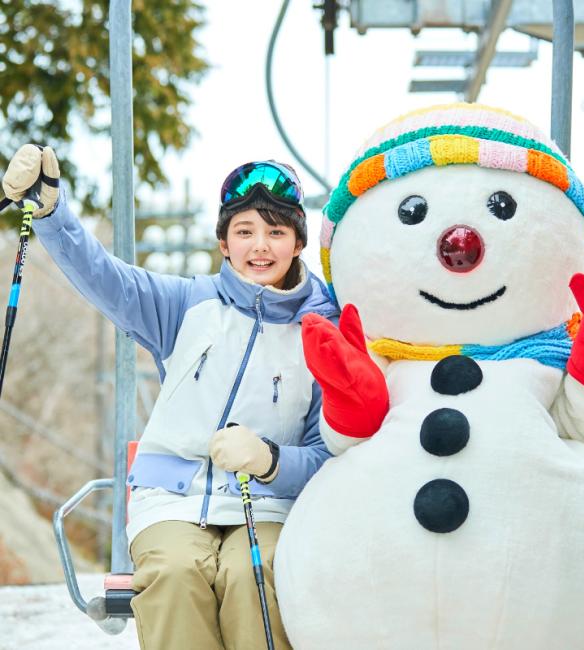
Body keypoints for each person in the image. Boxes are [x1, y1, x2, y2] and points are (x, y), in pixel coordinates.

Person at [2, 145, 339, 649]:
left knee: (257, 578)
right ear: (224, 243)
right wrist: (51, 214)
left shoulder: (322, 328)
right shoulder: (187, 306)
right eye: (245, 231)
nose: (260, 246)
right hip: (173, 502)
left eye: (276, 232)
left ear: (297, 243)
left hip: (265, 505)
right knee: (175, 574)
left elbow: (326, 453)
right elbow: (104, 277)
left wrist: (269, 460)